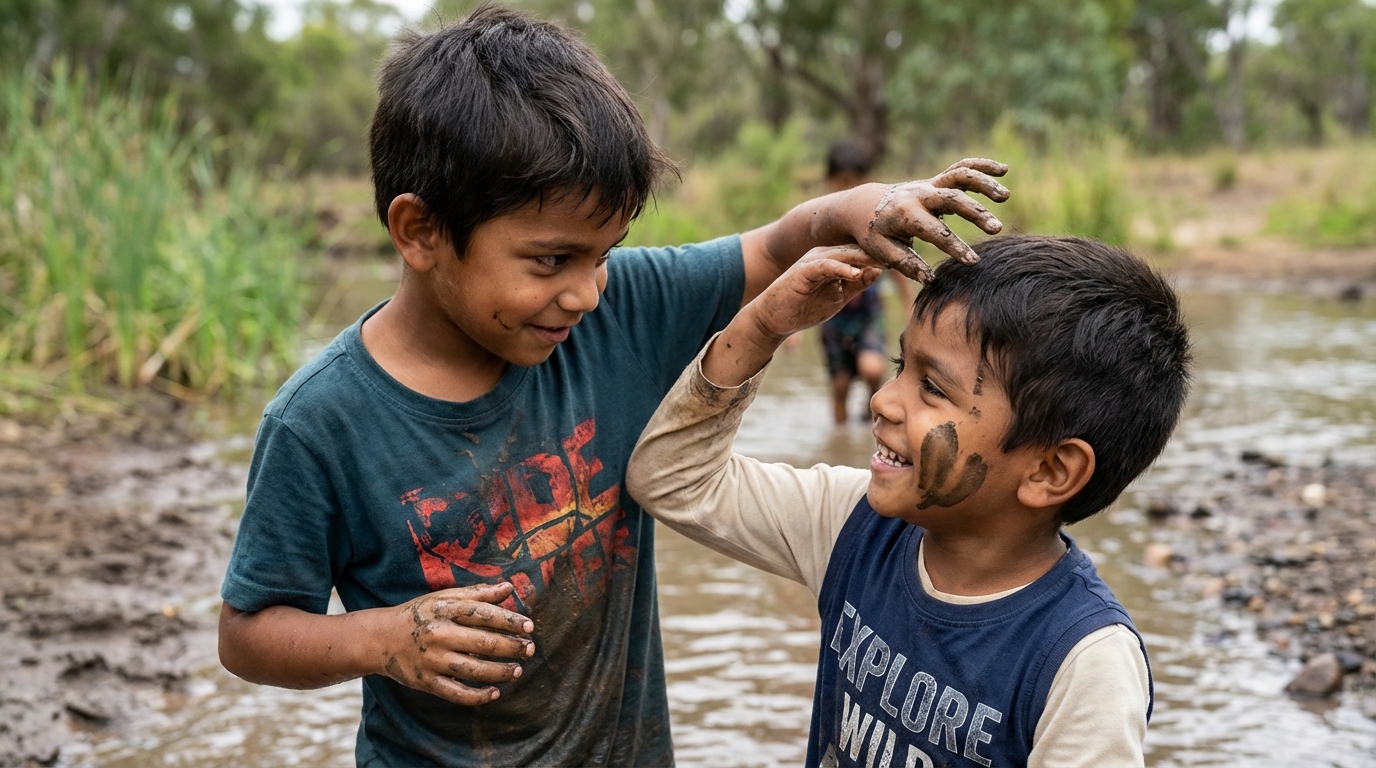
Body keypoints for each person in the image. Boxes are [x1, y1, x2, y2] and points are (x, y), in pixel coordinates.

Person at [214, 6, 1011, 766]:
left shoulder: (619, 309)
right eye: (551, 260)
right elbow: (248, 632)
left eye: (605, 254)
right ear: (419, 231)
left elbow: (780, 240)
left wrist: (867, 206)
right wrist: (382, 640)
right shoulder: (323, 421)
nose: (587, 292)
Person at [628, 235, 1193, 767]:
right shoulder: (856, 524)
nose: (883, 401)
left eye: (931, 388)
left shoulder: (1083, 662)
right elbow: (672, 480)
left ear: (1049, 471)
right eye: (902, 366)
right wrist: (763, 326)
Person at [818, 141, 915, 424]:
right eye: (844, 182)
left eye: (858, 182)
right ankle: (839, 443)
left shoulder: (874, 221)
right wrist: (791, 330)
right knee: (840, 385)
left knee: (872, 369)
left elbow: (897, 261)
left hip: (869, 313)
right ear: (829, 181)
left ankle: (872, 414)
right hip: (832, 316)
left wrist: (909, 302)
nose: (851, 190)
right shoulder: (820, 225)